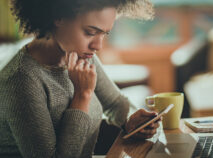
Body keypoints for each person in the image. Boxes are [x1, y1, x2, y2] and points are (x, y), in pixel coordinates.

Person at [0, 0, 159, 157]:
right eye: (90, 32)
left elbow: (115, 103)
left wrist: (132, 120)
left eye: (104, 33)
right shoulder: (20, 80)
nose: (98, 45)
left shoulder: (79, 54)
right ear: (58, 17)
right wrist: (82, 95)